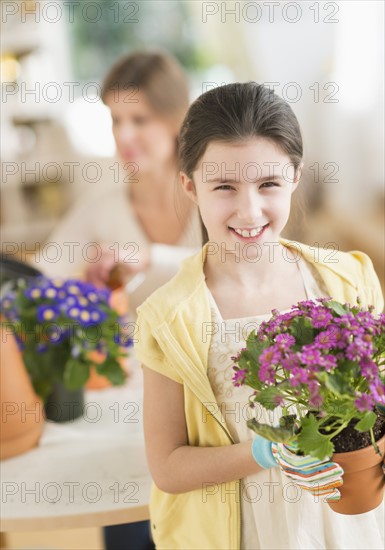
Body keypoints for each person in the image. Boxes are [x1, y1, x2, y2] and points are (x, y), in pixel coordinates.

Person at [135, 83, 385, 549]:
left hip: (356, 522)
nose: (249, 210)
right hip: (245, 532)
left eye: (268, 183)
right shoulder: (169, 317)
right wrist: (267, 451)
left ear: (295, 176)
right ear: (190, 185)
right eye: (224, 187)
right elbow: (167, 466)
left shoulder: (348, 279)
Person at [43, 51, 201, 312]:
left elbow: (239, 265)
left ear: (176, 119)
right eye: (116, 120)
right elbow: (40, 275)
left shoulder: (215, 195)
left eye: (139, 120)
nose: (124, 135)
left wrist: (149, 260)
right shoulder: (102, 207)